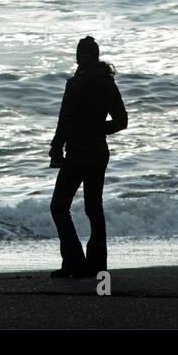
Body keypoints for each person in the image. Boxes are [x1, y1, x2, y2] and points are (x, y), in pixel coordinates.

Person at [48, 35, 127, 278]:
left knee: (59, 206)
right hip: (98, 152)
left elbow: (65, 120)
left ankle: (74, 262)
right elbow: (121, 121)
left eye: (83, 54)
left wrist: (56, 148)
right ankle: (97, 265)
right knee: (94, 208)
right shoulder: (107, 82)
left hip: (79, 152)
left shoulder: (75, 83)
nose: (82, 58)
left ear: (83, 57)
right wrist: (99, 129)